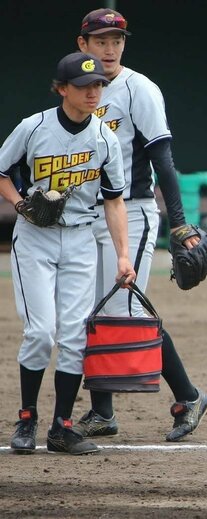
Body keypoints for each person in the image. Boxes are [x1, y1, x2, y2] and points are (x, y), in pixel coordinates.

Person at [73, 8, 207, 442]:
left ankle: (188, 396)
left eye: (117, 40)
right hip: (85, 215)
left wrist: (181, 223)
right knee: (87, 313)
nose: (110, 48)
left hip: (131, 211)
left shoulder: (139, 90)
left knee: (124, 308)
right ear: (83, 45)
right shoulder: (78, 90)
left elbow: (163, 161)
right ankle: (102, 412)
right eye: (101, 41)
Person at [1, 52, 135, 455]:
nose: (93, 92)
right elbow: (2, 172)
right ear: (62, 89)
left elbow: (114, 201)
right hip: (35, 237)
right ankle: (27, 417)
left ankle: (61, 427)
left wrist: (123, 256)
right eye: (83, 86)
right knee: (41, 332)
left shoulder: (104, 137)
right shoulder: (34, 127)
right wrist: (21, 204)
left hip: (80, 239)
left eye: (97, 86)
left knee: (75, 337)